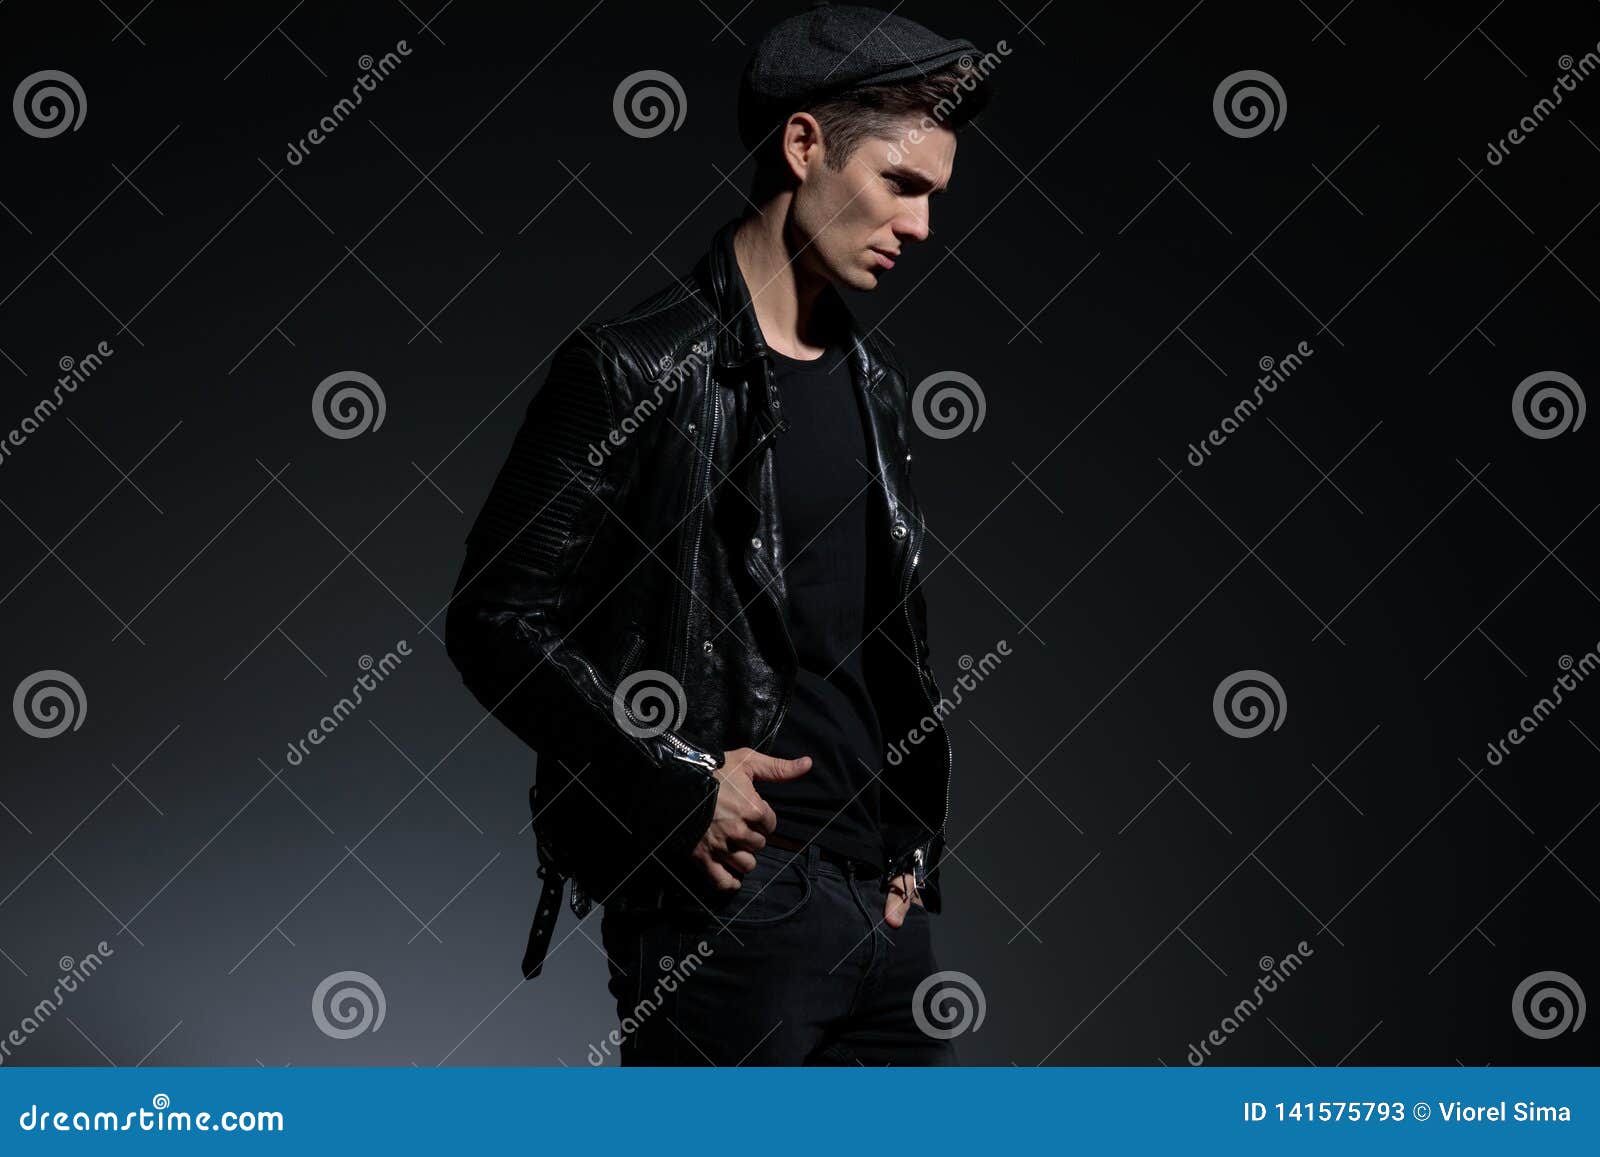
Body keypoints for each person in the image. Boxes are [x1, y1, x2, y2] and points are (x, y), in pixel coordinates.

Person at [445, 2, 994, 1064]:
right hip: (730, 903)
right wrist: (672, 773)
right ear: (803, 147)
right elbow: (494, 619)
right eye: (900, 185)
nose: (921, 226)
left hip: (878, 903)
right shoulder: (637, 370)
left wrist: (907, 843)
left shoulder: (874, 385)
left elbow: (871, 650)